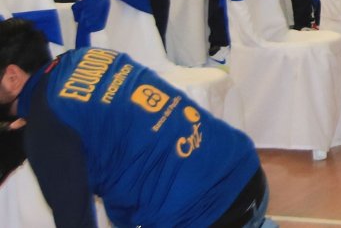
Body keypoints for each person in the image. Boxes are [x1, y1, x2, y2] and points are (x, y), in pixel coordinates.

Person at [0, 18, 275, 227]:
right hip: (247, 178)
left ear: (12, 77)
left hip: (203, 216)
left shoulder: (46, 127)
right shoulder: (86, 56)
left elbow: (75, 220)